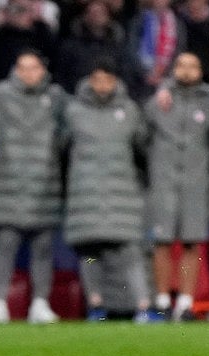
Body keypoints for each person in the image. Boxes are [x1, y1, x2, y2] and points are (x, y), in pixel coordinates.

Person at [62, 59, 154, 322]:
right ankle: (96, 306)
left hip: (122, 192)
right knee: (89, 253)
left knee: (130, 252)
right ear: (90, 81)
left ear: (116, 82)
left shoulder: (130, 111)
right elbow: (62, 148)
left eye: (107, 80)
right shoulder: (73, 111)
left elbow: (142, 150)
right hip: (85, 191)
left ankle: (143, 307)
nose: (102, 85)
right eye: (97, 79)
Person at [0, 50, 66, 324]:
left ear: (42, 71)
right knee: (4, 247)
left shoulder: (56, 99)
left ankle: (40, 303)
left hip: (45, 186)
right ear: (15, 70)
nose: (28, 73)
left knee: (43, 249)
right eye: (23, 68)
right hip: (6, 185)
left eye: (34, 68)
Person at [144, 52, 209, 321]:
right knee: (161, 243)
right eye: (182, 65)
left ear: (200, 70)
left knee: (192, 244)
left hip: (196, 184)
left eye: (193, 65)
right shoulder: (157, 103)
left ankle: (185, 304)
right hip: (163, 182)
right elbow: (143, 139)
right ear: (173, 69)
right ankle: (163, 301)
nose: (187, 71)